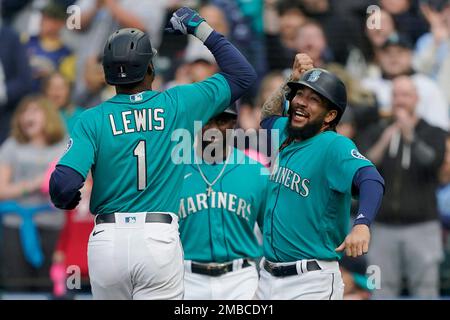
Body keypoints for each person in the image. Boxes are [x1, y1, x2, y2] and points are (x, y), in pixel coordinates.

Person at [49, 7, 257, 300]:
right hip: (157, 237)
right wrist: (199, 28)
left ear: (108, 73)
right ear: (150, 68)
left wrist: (68, 198)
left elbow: (62, 185)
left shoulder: (91, 119)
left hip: (107, 240)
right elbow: (242, 74)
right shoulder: (178, 102)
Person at [254, 54, 385, 300]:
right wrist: (289, 82)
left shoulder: (334, 145)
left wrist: (362, 224)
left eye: (314, 99)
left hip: (310, 281)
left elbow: (371, 179)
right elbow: (267, 118)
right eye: (300, 94)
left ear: (329, 116)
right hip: (267, 277)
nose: (301, 102)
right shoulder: (286, 132)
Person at [361, 76, 446, 299]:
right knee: (380, 289)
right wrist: (386, 139)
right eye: (396, 95)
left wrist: (410, 137)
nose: (400, 100)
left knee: (426, 290)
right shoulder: (377, 130)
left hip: (423, 226)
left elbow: (433, 163)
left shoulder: (434, 132)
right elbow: (364, 166)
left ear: (417, 99)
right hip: (381, 227)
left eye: (406, 95)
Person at [178, 105, 268, 300]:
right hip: (186, 278)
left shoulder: (255, 172)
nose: (213, 128)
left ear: (233, 124)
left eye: (221, 121)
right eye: (207, 120)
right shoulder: (173, 172)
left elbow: (270, 232)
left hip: (241, 279)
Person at [0, 95, 66, 292]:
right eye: (24, 112)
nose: (27, 116)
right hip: (16, 224)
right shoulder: (11, 146)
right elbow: (1, 190)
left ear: (48, 116)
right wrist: (35, 184)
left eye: (34, 111)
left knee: (49, 285)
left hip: (53, 224)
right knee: (16, 285)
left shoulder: (64, 145)